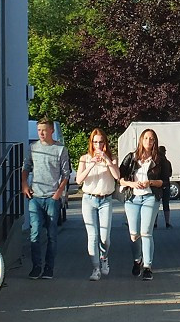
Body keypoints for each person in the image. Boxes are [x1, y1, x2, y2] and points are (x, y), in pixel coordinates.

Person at [22, 118, 70, 280]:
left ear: (51, 131)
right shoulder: (33, 148)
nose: (41, 133)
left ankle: (49, 268)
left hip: (51, 197)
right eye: (39, 130)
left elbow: (66, 174)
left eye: (44, 130)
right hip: (35, 196)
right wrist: (24, 185)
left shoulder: (60, 149)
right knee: (35, 232)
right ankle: (36, 266)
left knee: (51, 234)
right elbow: (26, 167)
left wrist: (59, 192)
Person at [119, 128, 164, 281]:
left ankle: (147, 267)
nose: (149, 141)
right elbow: (120, 178)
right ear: (141, 140)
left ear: (155, 141)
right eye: (146, 138)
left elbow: (163, 181)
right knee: (134, 234)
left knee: (146, 232)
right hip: (132, 198)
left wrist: (149, 182)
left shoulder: (159, 159)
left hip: (150, 197)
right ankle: (137, 260)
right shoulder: (131, 158)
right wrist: (132, 184)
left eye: (152, 139)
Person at [77, 128, 121, 281]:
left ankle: (104, 258)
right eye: (95, 142)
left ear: (105, 143)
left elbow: (117, 176)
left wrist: (107, 160)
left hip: (105, 200)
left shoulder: (112, 157)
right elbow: (78, 179)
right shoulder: (84, 158)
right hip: (89, 199)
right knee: (93, 236)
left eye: (101, 142)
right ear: (91, 143)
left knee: (105, 238)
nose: (98, 145)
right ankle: (95, 268)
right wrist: (91, 164)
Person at [155, 145, 174, 229]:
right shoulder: (167, 162)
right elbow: (170, 173)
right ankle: (167, 222)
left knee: (156, 205)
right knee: (166, 204)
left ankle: (155, 223)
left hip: (157, 185)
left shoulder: (155, 162)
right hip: (166, 184)